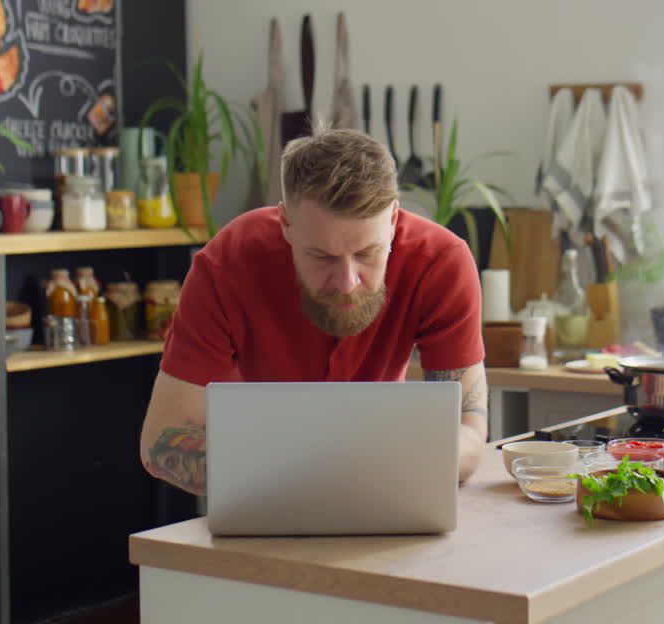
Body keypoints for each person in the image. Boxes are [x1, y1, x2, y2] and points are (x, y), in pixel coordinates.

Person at [139, 125, 488, 495]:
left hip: (380, 486)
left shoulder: (440, 263)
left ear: (393, 221)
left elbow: (467, 431)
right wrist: (326, 469)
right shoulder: (226, 265)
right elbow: (160, 440)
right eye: (322, 256)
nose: (347, 282)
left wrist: (369, 465)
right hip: (262, 497)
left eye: (367, 254)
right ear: (286, 224)